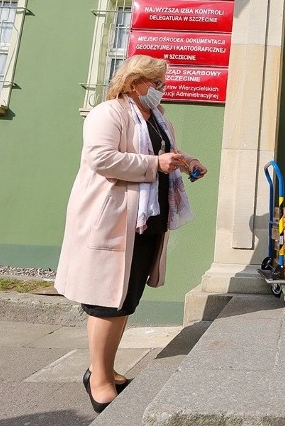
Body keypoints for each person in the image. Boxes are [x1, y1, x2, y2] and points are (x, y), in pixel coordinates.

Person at [54, 55, 207, 412]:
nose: (161, 89)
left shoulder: (157, 118)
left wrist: (185, 161)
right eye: (156, 83)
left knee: (126, 298)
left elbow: (160, 155)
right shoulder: (109, 113)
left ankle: (103, 368)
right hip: (113, 219)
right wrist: (156, 164)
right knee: (106, 300)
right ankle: (100, 379)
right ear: (135, 81)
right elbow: (101, 158)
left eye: (162, 84)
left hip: (145, 221)